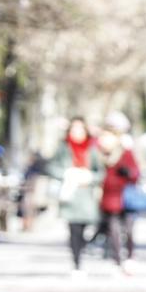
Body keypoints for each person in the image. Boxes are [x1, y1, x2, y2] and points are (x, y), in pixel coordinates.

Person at [49, 117, 102, 275]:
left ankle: (85, 247)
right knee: (74, 230)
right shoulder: (63, 148)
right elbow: (52, 167)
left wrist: (89, 177)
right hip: (70, 193)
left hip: (87, 195)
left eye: (80, 129)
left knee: (89, 228)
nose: (77, 132)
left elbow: (100, 172)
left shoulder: (92, 149)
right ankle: (77, 263)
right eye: (74, 129)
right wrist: (66, 174)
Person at [97, 112, 140, 275]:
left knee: (128, 229)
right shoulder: (101, 151)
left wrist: (128, 172)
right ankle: (117, 259)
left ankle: (129, 256)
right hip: (110, 196)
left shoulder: (126, 150)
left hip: (126, 196)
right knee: (113, 229)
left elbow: (135, 172)